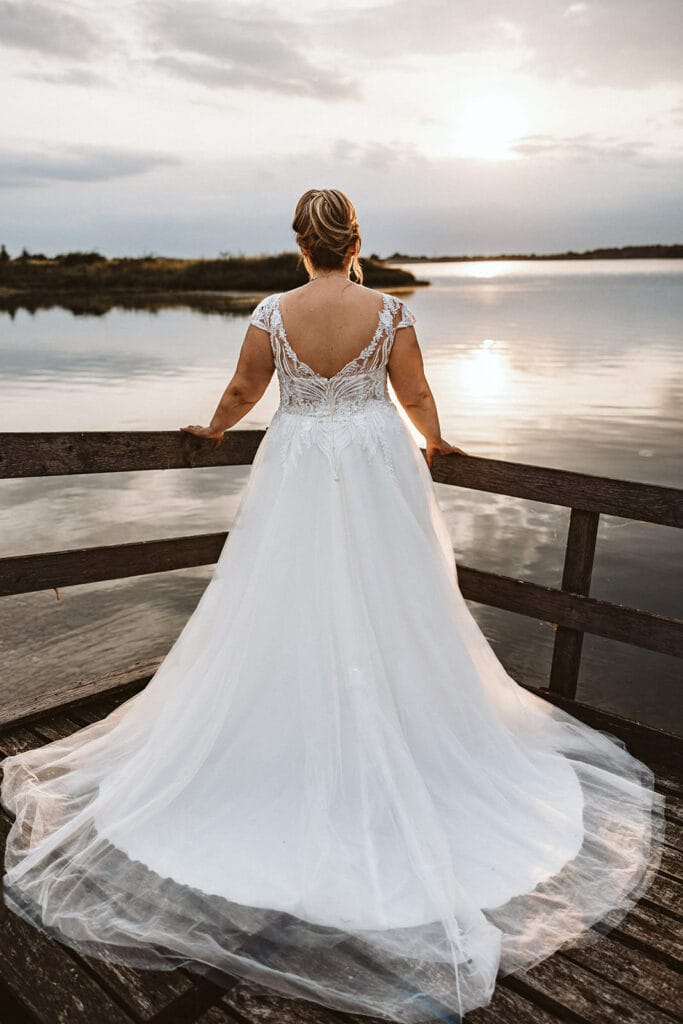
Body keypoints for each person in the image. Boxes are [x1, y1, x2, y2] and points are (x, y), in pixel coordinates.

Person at [1, 189, 664, 1023]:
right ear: (354, 242)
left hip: (298, 464)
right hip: (375, 460)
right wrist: (435, 440)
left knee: (282, 593)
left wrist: (211, 429)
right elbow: (414, 395)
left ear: (298, 243)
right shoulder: (389, 312)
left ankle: (290, 726)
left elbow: (244, 389)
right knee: (395, 596)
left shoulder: (271, 312)